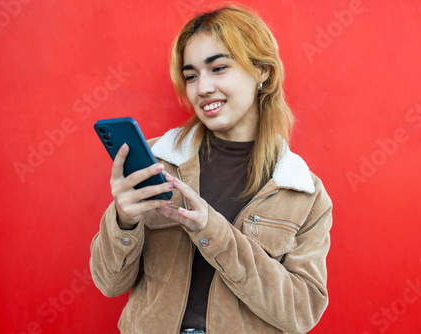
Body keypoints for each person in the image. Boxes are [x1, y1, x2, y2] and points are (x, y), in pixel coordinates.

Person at [90, 4, 332, 334]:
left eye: (218, 68)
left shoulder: (303, 193)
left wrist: (213, 232)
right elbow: (109, 283)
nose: (202, 88)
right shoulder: (158, 161)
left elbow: (301, 313)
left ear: (262, 70)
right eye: (191, 76)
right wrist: (123, 221)